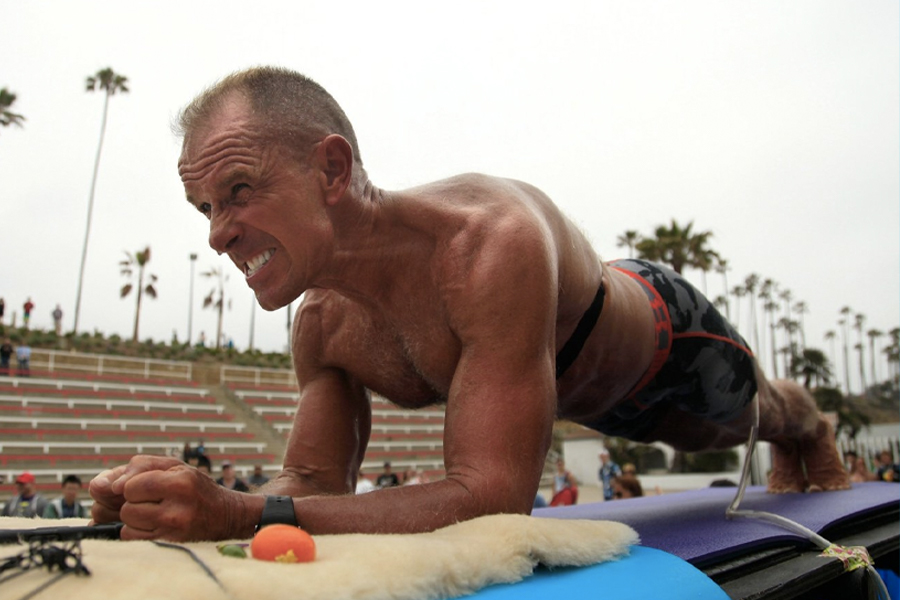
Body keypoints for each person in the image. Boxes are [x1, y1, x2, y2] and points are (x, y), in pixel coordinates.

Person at [89, 66, 850, 542]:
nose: (219, 234)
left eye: (239, 192)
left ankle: (814, 426)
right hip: (576, 387)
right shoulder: (321, 323)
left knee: (745, 421)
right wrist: (186, 504)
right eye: (205, 209)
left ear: (330, 168)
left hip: (660, 339)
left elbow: (489, 501)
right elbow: (312, 487)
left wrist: (236, 514)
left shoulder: (487, 243)